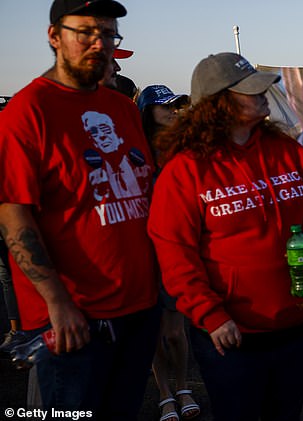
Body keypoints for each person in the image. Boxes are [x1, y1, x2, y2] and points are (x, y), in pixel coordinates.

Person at [147, 52, 303, 421]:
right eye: (250, 91)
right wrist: (211, 315)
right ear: (218, 103)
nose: (264, 94)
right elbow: (175, 256)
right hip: (230, 335)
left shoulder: (286, 151)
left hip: (297, 324)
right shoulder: (185, 170)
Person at [0, 0, 160, 418]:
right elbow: (14, 214)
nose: (99, 43)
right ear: (54, 36)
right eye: (85, 31)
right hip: (75, 320)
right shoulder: (27, 111)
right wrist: (57, 303)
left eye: (108, 34)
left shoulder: (122, 107)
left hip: (138, 308)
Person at [137, 84, 200, 421]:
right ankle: (164, 393)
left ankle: (184, 385)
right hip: (142, 253)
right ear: (147, 112)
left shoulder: (185, 149)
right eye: (166, 107)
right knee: (154, 332)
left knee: (175, 331)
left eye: (177, 106)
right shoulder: (133, 153)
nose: (174, 111)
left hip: (175, 252)